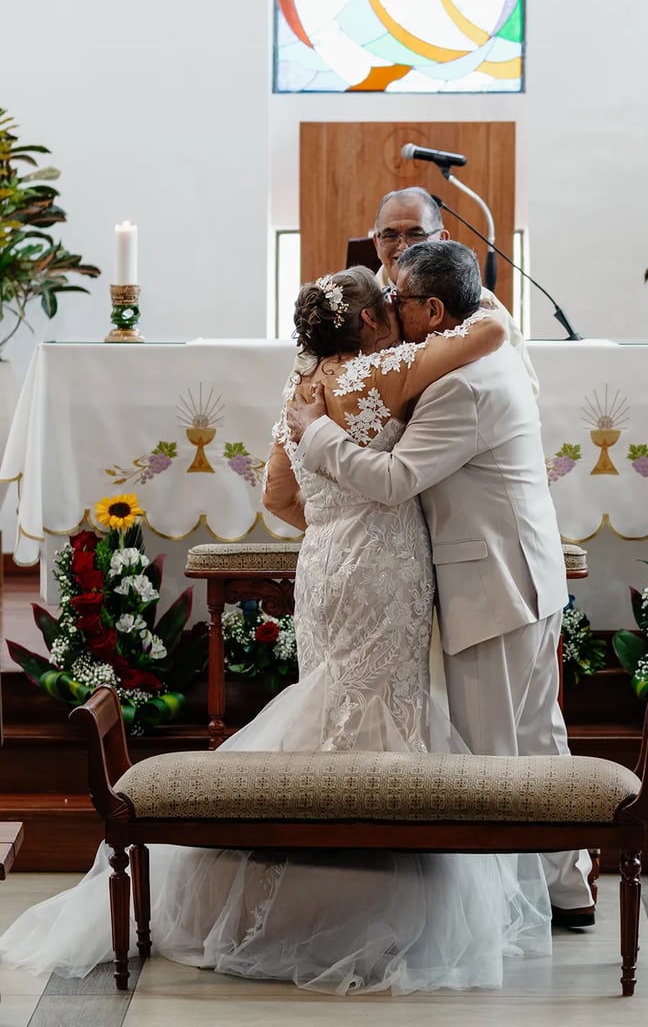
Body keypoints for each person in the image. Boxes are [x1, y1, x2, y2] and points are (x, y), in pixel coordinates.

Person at [0, 265, 552, 994]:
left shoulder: (303, 389)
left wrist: (336, 524)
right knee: (381, 714)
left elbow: (277, 495)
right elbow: (486, 330)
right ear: (366, 324)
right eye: (386, 303)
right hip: (381, 569)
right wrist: (375, 525)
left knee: (329, 710)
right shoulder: (384, 372)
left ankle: (299, 882)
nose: (395, 308)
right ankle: (373, 906)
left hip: (324, 566)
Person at [287, 241, 595, 927]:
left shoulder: (460, 383)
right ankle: (566, 888)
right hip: (525, 573)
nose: (388, 306)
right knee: (538, 736)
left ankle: (502, 917)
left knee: (492, 758)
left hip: (493, 585)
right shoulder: (489, 338)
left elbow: (396, 481)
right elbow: (486, 306)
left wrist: (314, 436)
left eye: (400, 296)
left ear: (433, 308)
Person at [371, 186, 539, 395]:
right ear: (377, 242)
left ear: (442, 238)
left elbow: (525, 385)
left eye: (416, 234)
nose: (403, 246)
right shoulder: (362, 305)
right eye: (390, 235)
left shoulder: (481, 302)